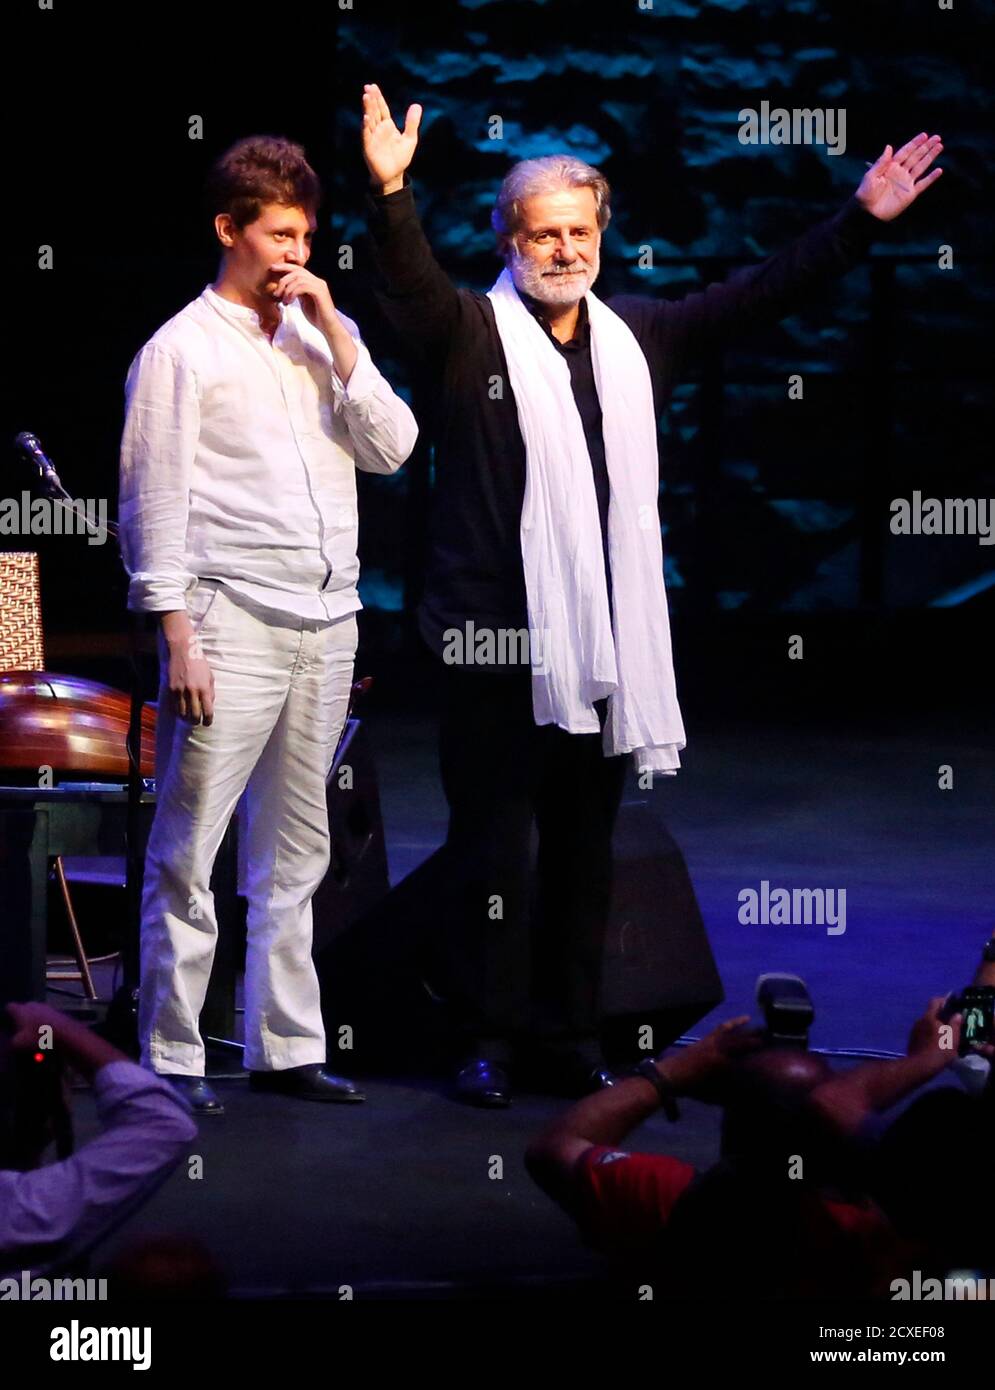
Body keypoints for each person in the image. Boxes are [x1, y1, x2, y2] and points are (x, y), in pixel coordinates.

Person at [361, 81, 944, 1106]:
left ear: (600, 236)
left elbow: (760, 295)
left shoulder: (639, 337)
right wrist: (393, 193)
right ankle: (487, 1034)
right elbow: (404, 294)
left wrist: (857, 221)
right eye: (540, 234)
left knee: (585, 852)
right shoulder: (467, 338)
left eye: (576, 231)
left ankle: (567, 1031)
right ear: (506, 239)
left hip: (603, 649)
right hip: (493, 644)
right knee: (493, 855)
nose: (560, 250)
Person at [120, 135, 418, 1113]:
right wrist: (176, 636)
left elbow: (393, 447)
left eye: (305, 234)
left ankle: (285, 1045)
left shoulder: (311, 340)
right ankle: (171, 1055)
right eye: (278, 233)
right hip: (227, 619)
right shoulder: (180, 351)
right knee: (190, 843)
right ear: (229, 230)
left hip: (326, 622)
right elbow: (152, 501)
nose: (296, 251)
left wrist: (338, 334)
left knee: (298, 850)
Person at [525, 939, 995, 1297]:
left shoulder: (675, 1209)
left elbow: (555, 1147)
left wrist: (674, 1073)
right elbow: (834, 1108)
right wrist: (932, 1057)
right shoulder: (896, 1249)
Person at [0, 1003, 197, 1277]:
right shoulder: (24, 1211)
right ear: (51, 1113)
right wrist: (59, 1027)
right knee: (172, 1271)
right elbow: (165, 1124)